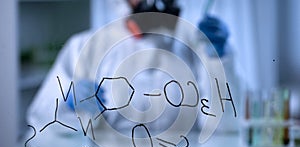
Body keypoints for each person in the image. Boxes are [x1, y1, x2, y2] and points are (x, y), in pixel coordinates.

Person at [26, 0, 234, 138]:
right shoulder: (85, 47)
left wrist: (218, 61)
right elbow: (39, 119)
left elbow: (224, 124)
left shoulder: (193, 46)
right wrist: (68, 102)